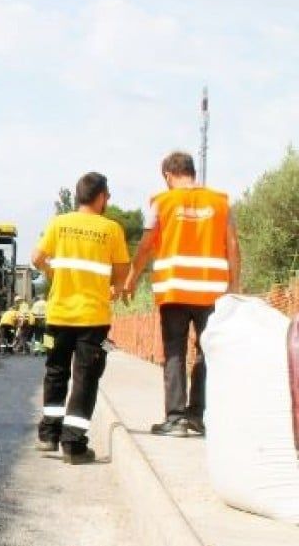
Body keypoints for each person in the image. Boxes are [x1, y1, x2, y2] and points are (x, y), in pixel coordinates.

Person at [121, 151, 240, 437]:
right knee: (206, 353)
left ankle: (175, 419)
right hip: (212, 294)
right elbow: (233, 244)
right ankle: (197, 416)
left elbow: (147, 243)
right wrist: (235, 287)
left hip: (174, 292)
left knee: (174, 352)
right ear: (192, 172)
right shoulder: (220, 202)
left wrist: (132, 278)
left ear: (167, 175)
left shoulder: (162, 202)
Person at [32, 172, 130, 464]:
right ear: (100, 197)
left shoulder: (59, 224)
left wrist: (54, 273)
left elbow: (37, 258)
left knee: (56, 371)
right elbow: (122, 271)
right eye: (107, 196)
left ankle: (49, 434)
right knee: (85, 378)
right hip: (93, 317)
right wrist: (114, 289)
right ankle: (74, 445)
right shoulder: (111, 229)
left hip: (59, 314)